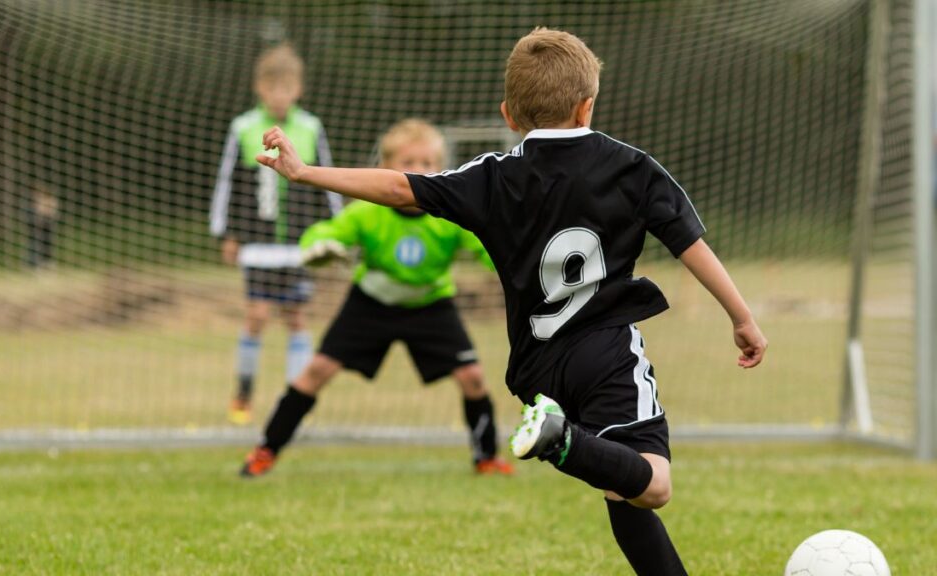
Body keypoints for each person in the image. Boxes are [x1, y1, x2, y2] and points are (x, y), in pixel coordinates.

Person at [254, 28, 768, 576]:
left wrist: (305, 172)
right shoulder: (632, 167)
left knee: (624, 489)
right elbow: (690, 245)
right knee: (655, 483)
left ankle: (560, 437)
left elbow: (401, 187)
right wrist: (742, 318)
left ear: (507, 113)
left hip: (536, 364)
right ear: (587, 105)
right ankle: (561, 440)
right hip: (606, 353)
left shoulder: (492, 177)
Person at [239, 119, 514, 478]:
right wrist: (318, 248)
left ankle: (486, 458)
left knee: (473, 377)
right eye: (409, 162)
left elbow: (490, 249)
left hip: (430, 305)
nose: (419, 171)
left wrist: (514, 264)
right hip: (371, 303)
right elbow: (323, 234)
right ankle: (265, 451)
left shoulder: (450, 214)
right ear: (386, 168)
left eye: (428, 163)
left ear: (441, 167)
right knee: (316, 371)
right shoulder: (368, 210)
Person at [209, 43, 342, 425]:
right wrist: (227, 234)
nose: (280, 96)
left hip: (298, 246)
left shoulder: (311, 128)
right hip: (257, 244)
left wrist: (332, 232)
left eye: (287, 88)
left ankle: (293, 400)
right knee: (257, 315)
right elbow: (227, 182)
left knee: (297, 317)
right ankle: (244, 393)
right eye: (272, 88)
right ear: (260, 89)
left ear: (298, 89)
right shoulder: (243, 128)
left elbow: (327, 179)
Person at [25, 183, 59, 269]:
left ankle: (47, 263)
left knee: (47, 244)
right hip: (35, 225)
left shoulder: (49, 200)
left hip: (47, 225)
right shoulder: (33, 201)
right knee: (34, 244)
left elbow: (51, 212)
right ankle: (33, 263)